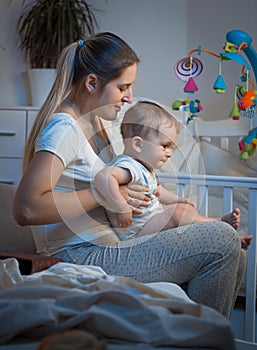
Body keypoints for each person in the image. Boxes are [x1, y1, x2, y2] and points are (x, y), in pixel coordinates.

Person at [13, 31, 248, 319]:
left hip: (110, 242)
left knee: (235, 249)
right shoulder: (65, 128)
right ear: (92, 83)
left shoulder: (93, 125)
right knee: (221, 239)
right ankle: (201, 335)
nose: (130, 97)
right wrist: (104, 195)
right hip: (81, 254)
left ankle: (192, 332)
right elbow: (26, 208)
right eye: (123, 87)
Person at [93, 101, 247, 242]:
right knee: (177, 214)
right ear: (138, 144)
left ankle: (224, 238)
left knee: (183, 212)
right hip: (136, 233)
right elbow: (104, 177)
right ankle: (218, 223)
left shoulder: (144, 169)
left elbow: (157, 190)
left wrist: (175, 199)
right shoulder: (129, 166)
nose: (169, 153)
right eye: (165, 146)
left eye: (171, 148)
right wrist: (121, 206)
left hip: (150, 225)